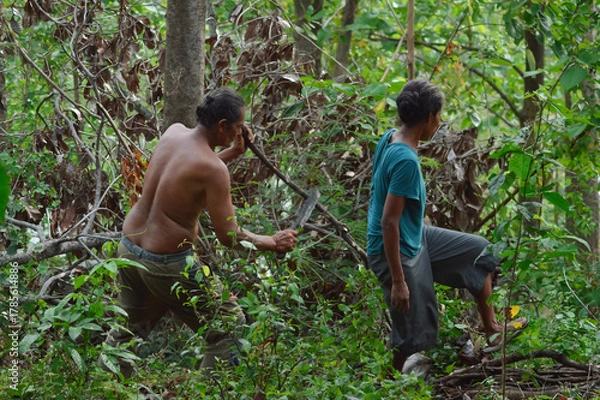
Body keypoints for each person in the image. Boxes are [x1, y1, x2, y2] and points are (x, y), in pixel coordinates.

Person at [105, 87, 298, 376]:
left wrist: (231, 152)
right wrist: (271, 241)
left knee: (126, 333)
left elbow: (187, 171)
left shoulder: (173, 133)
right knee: (229, 326)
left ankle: (98, 388)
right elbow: (229, 235)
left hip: (130, 249)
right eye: (237, 128)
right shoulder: (214, 171)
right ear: (222, 126)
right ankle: (207, 392)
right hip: (167, 264)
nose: (239, 133)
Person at [366, 79, 526, 373]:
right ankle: (392, 384)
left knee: (480, 252)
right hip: (395, 248)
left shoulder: (392, 137)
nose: (440, 122)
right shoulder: (404, 160)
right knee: (415, 328)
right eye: (439, 115)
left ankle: (491, 328)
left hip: (414, 237)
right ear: (428, 117)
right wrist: (399, 281)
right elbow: (388, 222)